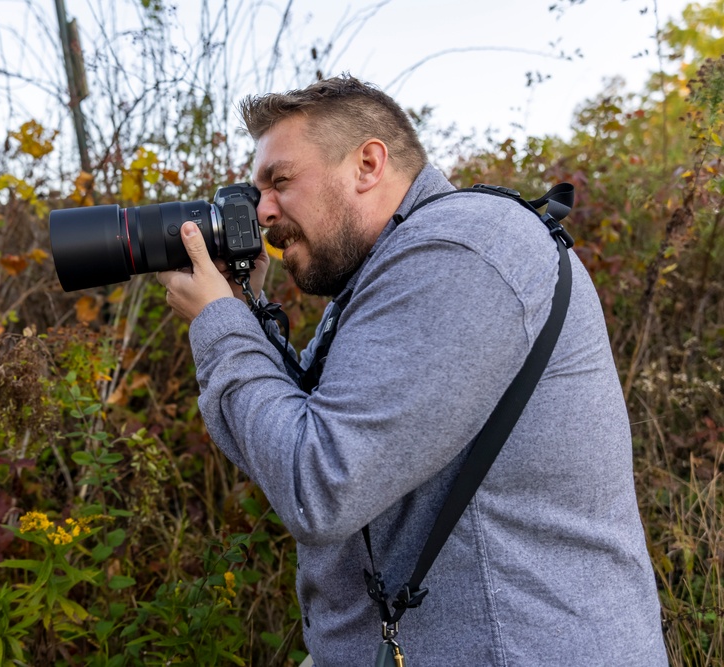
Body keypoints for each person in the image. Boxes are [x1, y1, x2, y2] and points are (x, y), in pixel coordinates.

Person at [156, 74, 666, 666]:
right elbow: (286, 439)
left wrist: (220, 325)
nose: (263, 211)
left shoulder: (458, 256)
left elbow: (318, 487)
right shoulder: (394, 267)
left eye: (280, 182)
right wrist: (244, 313)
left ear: (368, 163)